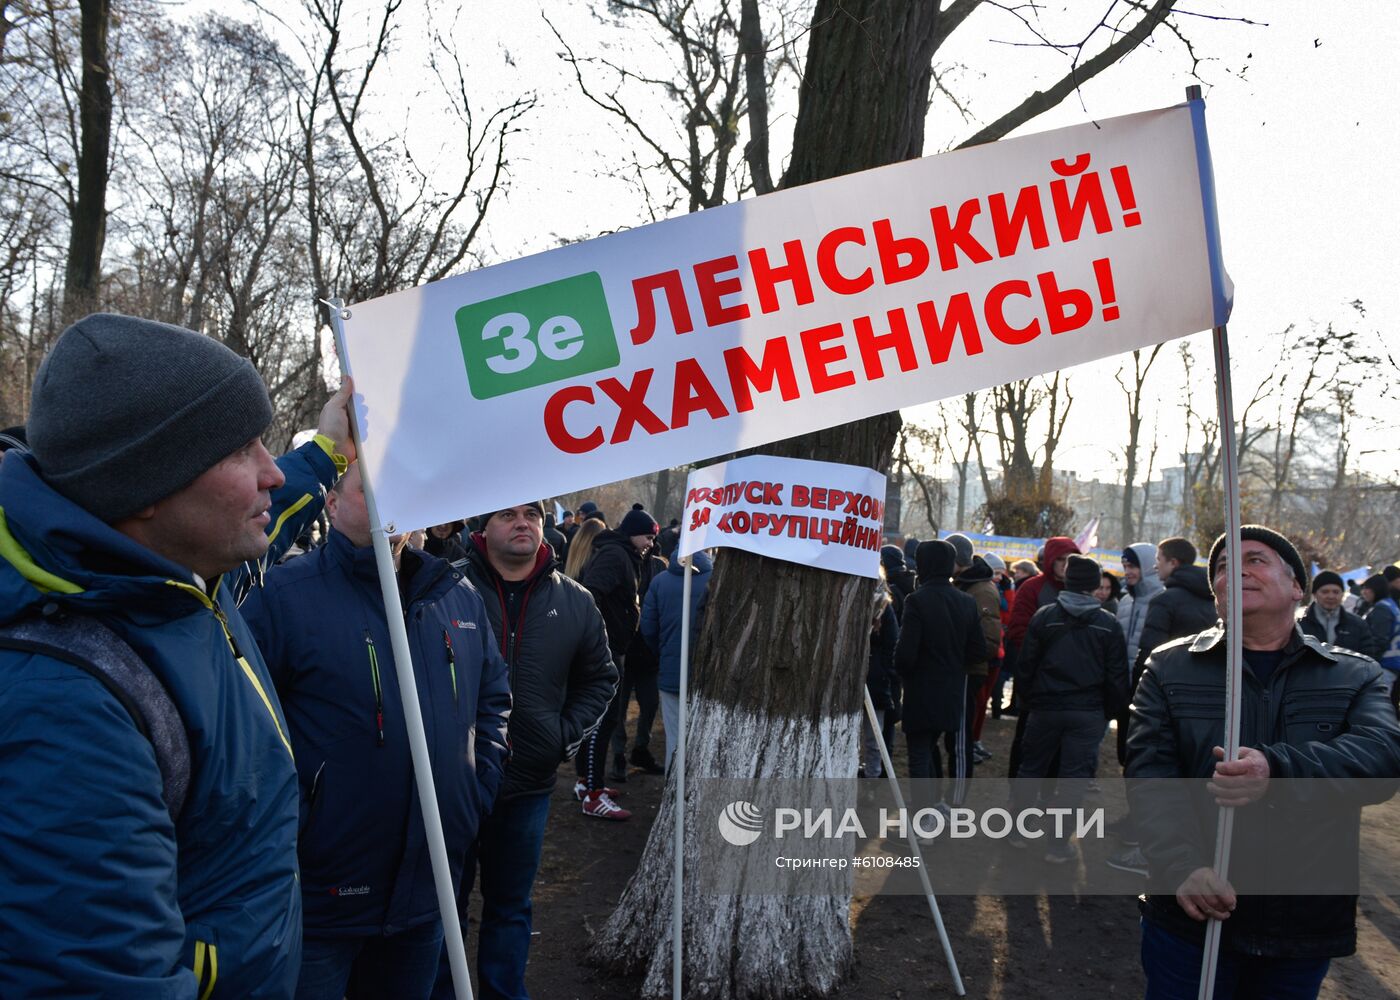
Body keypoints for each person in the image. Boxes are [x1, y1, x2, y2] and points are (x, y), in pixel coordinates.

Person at [0, 313, 353, 997]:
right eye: (238, 451)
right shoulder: (64, 703)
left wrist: (332, 449)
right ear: (146, 490)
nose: (273, 472)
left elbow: (264, 535)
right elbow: (102, 979)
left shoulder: (174, 576)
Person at [241, 464, 511, 1000]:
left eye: (397, 488)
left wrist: (474, 790)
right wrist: (298, 819)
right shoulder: (284, 596)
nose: (388, 503)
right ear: (333, 506)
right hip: (322, 892)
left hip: (428, 886)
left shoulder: (455, 596)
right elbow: (247, 728)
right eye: (368, 490)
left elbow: (493, 700)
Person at [1127, 525, 1400, 998]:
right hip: (1190, 918)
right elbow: (1150, 776)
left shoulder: (1355, 673)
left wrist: (1278, 771)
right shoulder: (1167, 667)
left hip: (1300, 921)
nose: (1235, 571)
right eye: (1224, 566)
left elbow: (1382, 759)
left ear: (1297, 587)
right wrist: (1181, 867)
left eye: (1255, 560)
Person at [438, 502, 617, 1000]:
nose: (523, 523)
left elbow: (600, 679)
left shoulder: (576, 601)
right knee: (441, 909)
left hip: (528, 787)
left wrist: (560, 735)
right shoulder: (443, 587)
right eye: (507, 514)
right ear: (482, 526)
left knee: (510, 908)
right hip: (452, 783)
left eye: (532, 514)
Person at [1011, 555, 1129, 863]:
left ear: (1068, 580)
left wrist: (1030, 700)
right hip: (1087, 712)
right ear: (1093, 586)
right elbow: (1117, 675)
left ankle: (1019, 832)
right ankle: (1057, 845)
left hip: (1046, 708)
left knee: (1031, 768)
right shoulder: (1108, 624)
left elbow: (1026, 665)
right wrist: (1110, 711)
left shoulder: (1044, 616)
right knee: (1073, 778)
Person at [574, 505, 657, 818]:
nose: (650, 542)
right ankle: (593, 794)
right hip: (605, 650)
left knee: (603, 719)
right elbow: (591, 594)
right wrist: (601, 636)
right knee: (603, 719)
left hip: (613, 647)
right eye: (647, 537)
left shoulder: (626, 554)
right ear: (633, 534)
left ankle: (587, 782)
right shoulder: (615, 555)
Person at [895, 540, 986, 813]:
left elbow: (906, 654)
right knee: (931, 748)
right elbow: (978, 650)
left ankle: (924, 821)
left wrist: (904, 672)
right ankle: (932, 807)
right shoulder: (966, 601)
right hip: (952, 689)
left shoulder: (917, 600)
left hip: (921, 689)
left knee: (920, 754)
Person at [1005, 536, 1081, 777]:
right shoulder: (1032, 587)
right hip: (1037, 676)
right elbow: (1019, 630)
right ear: (1050, 561)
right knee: (1027, 737)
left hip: (1071, 681)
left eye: (1070, 560)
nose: (1065, 565)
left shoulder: (1081, 589)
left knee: (1062, 744)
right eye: (1060, 560)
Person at [640, 548, 713, 769]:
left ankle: (673, 796)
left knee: (674, 739)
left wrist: (663, 652)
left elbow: (648, 628)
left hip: (671, 669)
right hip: (708, 675)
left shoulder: (660, 581)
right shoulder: (716, 579)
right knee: (704, 741)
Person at [610, 529, 668, 779]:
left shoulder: (658, 567)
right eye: (645, 536)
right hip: (624, 650)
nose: (650, 542)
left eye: (652, 538)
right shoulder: (618, 562)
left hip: (648, 653)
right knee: (619, 708)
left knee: (650, 703)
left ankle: (641, 749)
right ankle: (618, 756)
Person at [947, 533, 1002, 766]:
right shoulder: (963, 584)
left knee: (960, 738)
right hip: (960, 667)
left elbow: (989, 640)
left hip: (969, 670)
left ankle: (957, 799)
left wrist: (957, 655)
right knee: (954, 735)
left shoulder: (982, 590)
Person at [1134, 536, 1217, 676]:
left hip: (1168, 684)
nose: (1155, 566)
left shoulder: (1163, 601)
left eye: (1158, 560)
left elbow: (1150, 653)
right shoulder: (1214, 600)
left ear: (1173, 562)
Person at [862, 580, 901, 778]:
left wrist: (884, 672)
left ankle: (872, 780)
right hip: (856, 680)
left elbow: (891, 644)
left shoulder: (884, 608)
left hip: (875, 682)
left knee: (874, 737)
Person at [1298, 570, 1381, 660]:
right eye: (1325, 592)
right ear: (1314, 594)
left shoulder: (1357, 625)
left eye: (1336, 592)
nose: (1331, 596)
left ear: (1342, 594)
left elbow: (1368, 658)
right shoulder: (1299, 623)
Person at [1359, 573, 1400, 714]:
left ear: (1376, 589)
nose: (1364, 592)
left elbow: (1378, 639)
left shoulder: (1382, 609)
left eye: (1367, 589)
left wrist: (1368, 663)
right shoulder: (1391, 604)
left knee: (1379, 710)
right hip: (1392, 663)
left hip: (1384, 665)